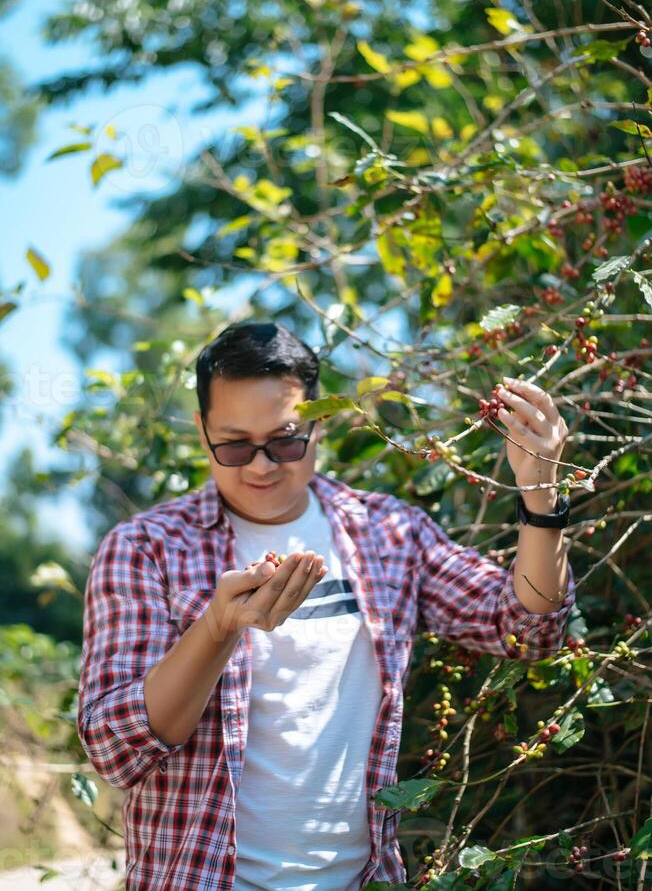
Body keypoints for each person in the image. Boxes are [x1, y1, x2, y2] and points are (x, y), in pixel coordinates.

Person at [77, 320, 576, 890]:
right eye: (235, 445)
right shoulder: (147, 548)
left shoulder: (388, 532)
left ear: (321, 425)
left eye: (285, 440)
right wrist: (216, 628)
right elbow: (115, 751)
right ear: (201, 432)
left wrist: (541, 496)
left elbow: (528, 631)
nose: (261, 465)